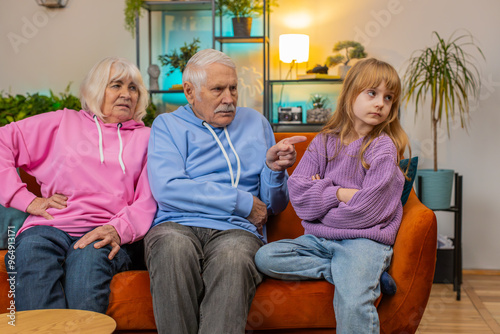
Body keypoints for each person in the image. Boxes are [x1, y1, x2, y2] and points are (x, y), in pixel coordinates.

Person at [145, 48, 306, 334]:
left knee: (234, 256)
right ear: (190, 91)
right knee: (171, 248)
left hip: (237, 231)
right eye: (218, 89)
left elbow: (273, 207)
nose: (229, 99)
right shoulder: (167, 125)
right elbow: (168, 188)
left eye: (233, 88)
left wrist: (274, 170)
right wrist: (242, 201)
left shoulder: (256, 123)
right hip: (177, 225)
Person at [255, 58, 412, 334]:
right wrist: (339, 192)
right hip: (321, 241)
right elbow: (300, 198)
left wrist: (322, 195)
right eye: (372, 93)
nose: (380, 104)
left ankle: (361, 275)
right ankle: (356, 274)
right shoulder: (324, 141)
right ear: (351, 93)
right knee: (265, 257)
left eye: (388, 98)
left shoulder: (383, 149)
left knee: (352, 303)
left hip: (364, 241)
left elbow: (366, 212)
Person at [0, 57, 157, 313]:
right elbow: (2, 141)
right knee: (29, 253)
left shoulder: (148, 138)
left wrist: (119, 228)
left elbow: (149, 199)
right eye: (116, 85)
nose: (126, 94)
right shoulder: (62, 122)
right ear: (96, 89)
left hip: (106, 230)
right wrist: (26, 199)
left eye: (133, 88)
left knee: (87, 264)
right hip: (50, 225)